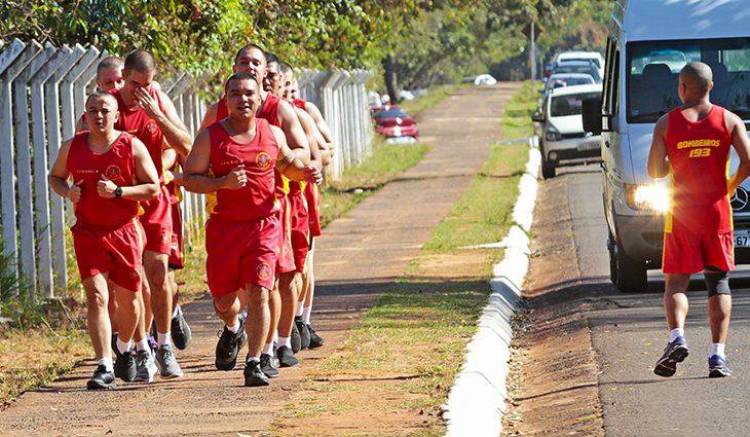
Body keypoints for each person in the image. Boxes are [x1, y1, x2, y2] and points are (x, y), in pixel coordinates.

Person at [183, 72, 315, 386]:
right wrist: (222, 183)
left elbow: (286, 166)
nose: (243, 99)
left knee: (261, 291)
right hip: (225, 229)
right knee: (225, 300)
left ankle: (255, 360)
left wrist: (306, 172)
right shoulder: (211, 137)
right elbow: (189, 179)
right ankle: (233, 327)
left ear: (259, 99)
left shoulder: (272, 132)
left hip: (264, 226)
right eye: (236, 94)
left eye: (249, 94)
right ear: (226, 100)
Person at [48, 92, 160, 389]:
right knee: (97, 296)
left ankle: (124, 347)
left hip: (124, 230)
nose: (99, 116)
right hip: (88, 232)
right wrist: (67, 192)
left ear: (116, 115)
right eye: (92, 111)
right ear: (84, 116)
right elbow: (55, 177)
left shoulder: (131, 146)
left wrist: (119, 192)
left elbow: (153, 188)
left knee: (130, 299)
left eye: (105, 110)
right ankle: (104, 365)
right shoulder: (72, 147)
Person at [647, 62, 750, 378]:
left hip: (681, 215)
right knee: (718, 282)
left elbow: (654, 171)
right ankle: (717, 357)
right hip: (717, 213)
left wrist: (673, 161)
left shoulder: (667, 123)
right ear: (711, 86)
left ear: (682, 88)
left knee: (676, 281)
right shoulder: (730, 120)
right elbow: (747, 162)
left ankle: (677, 337)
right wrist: (728, 187)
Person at [112, 49, 192, 378]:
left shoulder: (158, 101)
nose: (140, 91)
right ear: (122, 79)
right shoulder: (109, 106)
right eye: (134, 85)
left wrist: (158, 115)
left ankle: (163, 345)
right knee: (135, 282)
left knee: (158, 275)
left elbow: (186, 145)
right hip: (122, 203)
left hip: (155, 199)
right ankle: (139, 345)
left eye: (147, 84)